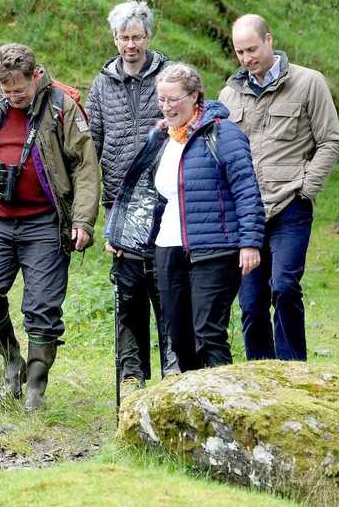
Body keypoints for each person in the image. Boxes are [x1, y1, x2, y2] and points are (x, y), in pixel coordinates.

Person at [0, 43, 100, 411]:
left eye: (19, 91)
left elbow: (85, 166)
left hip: (45, 220)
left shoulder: (61, 107)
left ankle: (36, 388)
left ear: (35, 76)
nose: (13, 98)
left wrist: (84, 220)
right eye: (6, 91)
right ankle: (11, 356)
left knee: (42, 307)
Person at [107, 63, 264, 372]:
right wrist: (119, 236)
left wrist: (250, 243)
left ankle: (223, 408)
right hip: (168, 249)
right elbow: (142, 194)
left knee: (208, 333)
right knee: (178, 338)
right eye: (161, 99)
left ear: (194, 96)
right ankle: (193, 408)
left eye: (173, 99)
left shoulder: (223, 134)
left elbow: (247, 190)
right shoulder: (161, 137)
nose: (166, 107)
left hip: (215, 248)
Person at [219, 14, 339, 361]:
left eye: (252, 49)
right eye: (239, 52)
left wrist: (306, 189)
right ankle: (261, 376)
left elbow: (330, 141)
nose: (246, 58)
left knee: (284, 288)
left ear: (269, 40)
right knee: (251, 302)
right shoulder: (229, 95)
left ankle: (292, 371)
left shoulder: (308, 83)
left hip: (290, 205)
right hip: (247, 212)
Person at [85, 0, 179, 394]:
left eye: (137, 37)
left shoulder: (170, 75)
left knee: (169, 285)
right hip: (121, 206)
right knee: (128, 292)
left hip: (168, 203)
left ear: (148, 36)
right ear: (114, 38)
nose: (130, 45)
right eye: (124, 38)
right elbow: (91, 141)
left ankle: (175, 369)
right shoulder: (102, 82)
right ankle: (131, 375)